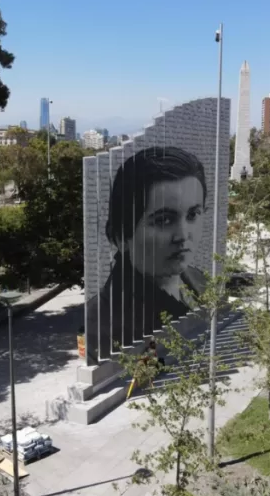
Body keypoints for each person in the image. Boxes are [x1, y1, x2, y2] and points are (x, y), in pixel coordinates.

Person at [87, 146, 208, 361]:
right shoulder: (104, 320)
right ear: (121, 237)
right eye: (164, 220)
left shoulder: (201, 281)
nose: (182, 235)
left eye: (193, 214)